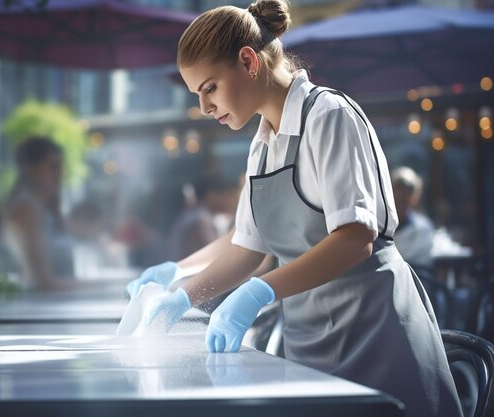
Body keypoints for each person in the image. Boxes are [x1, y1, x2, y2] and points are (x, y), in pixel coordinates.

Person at [125, 2, 461, 417]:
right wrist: (180, 297)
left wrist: (258, 291)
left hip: (376, 333)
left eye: (209, 88)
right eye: (198, 95)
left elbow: (355, 239)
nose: (205, 107)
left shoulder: (330, 116)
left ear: (248, 61)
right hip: (309, 342)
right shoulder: (262, 146)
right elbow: (247, 249)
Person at [0, 137, 78, 291]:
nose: (60, 173)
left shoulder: (43, 210)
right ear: (31, 169)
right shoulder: (27, 210)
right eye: (53, 166)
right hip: (32, 308)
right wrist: (111, 286)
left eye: (61, 166)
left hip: (48, 305)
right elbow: (43, 282)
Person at [168, 175, 239, 260]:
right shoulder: (198, 221)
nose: (233, 201)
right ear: (212, 195)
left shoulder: (199, 216)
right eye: (229, 195)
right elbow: (206, 258)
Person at [391, 166, 435, 268]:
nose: (402, 194)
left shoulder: (423, 228)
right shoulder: (380, 225)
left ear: (415, 196)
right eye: (398, 188)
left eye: (408, 190)